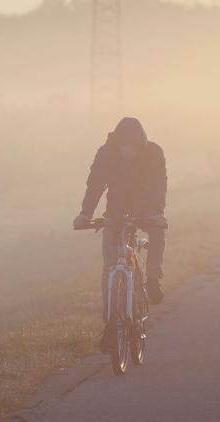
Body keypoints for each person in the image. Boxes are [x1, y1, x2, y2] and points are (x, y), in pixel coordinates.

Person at [73, 117, 168, 316]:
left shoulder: (154, 153)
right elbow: (95, 186)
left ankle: (152, 279)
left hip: (147, 208)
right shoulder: (105, 154)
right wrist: (85, 214)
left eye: (133, 146)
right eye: (124, 146)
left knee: (157, 233)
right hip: (116, 210)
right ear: (117, 144)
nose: (128, 150)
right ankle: (110, 319)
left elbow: (159, 186)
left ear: (141, 145)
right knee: (109, 265)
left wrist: (157, 213)